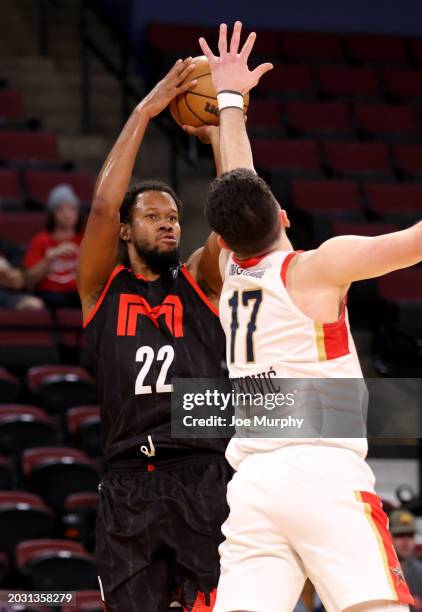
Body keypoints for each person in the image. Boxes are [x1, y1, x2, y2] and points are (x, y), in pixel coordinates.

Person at [199, 21, 416, 612]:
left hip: (253, 485)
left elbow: (235, 182)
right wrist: (230, 98)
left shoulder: (229, 275)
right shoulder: (318, 268)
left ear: (224, 239)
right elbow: (411, 243)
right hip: (320, 471)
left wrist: (229, 101)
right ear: (286, 217)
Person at [77, 58, 239, 612]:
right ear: (126, 229)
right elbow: (101, 203)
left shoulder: (200, 280)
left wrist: (221, 134)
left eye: (172, 214)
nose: (168, 221)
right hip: (127, 485)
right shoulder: (101, 288)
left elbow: (239, 219)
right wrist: (146, 110)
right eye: (151, 215)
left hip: (201, 476)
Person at [24, 184, 83, 308]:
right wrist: (48, 258)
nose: (67, 214)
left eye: (72, 209)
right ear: (52, 214)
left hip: (79, 296)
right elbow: (28, 281)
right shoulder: (41, 240)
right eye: (60, 209)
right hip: (50, 296)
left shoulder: (85, 240)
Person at [390, 510, 422, 610]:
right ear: (388, 536)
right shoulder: (379, 570)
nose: (406, 541)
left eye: (410, 535)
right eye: (400, 535)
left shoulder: (419, 571)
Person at [0, 237, 43, 310]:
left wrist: (6, 274)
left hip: (9, 294)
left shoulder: (7, 246)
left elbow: (18, 280)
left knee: (34, 304)